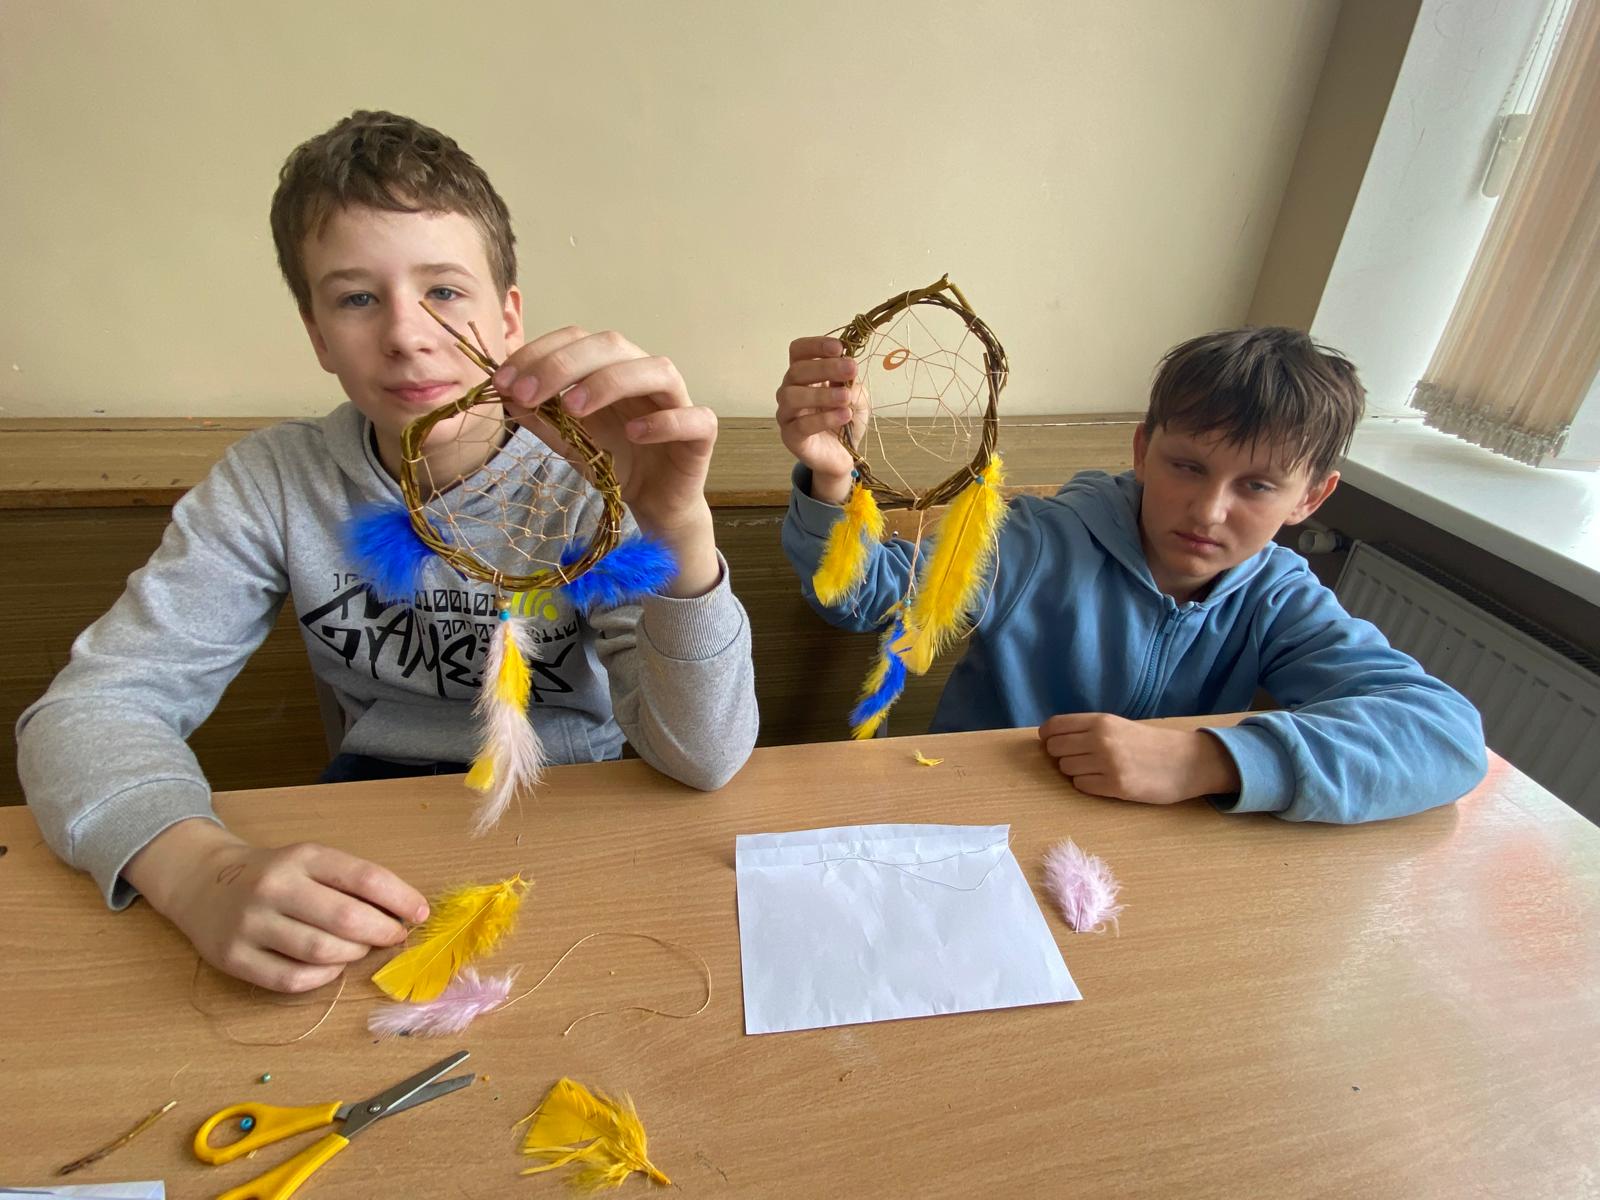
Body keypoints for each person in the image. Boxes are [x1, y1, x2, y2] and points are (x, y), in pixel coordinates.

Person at [17, 110, 757, 992]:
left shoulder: (597, 473)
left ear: (508, 317)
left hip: (582, 812)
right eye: (357, 299)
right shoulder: (274, 483)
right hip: (373, 824)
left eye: (444, 291)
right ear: (317, 335)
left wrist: (677, 528)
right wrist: (199, 872)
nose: (406, 335)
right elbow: (90, 713)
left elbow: (702, 755)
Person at [776, 325, 1486, 821]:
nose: (1208, 510)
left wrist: (1206, 761)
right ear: (1144, 452)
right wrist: (834, 481)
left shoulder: (1279, 598)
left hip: (1154, 859)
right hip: (981, 825)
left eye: (1257, 486)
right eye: (1188, 467)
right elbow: (864, 597)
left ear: (1311, 499)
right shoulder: (1037, 542)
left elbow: (1446, 737)